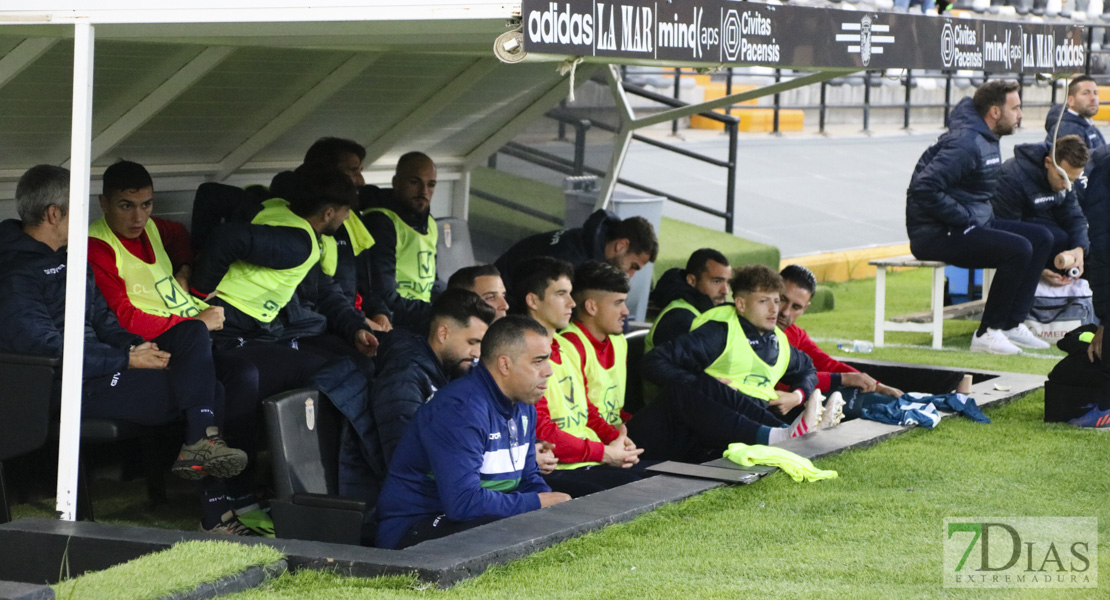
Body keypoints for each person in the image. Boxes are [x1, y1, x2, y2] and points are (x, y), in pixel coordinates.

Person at [0, 165, 254, 535]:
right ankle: (216, 513)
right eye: (78, 208)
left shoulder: (71, 258)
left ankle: (202, 445)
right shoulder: (14, 272)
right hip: (61, 384)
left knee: (192, 332)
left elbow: (106, 323)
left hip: (104, 364)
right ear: (54, 214)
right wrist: (125, 359)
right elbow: (46, 348)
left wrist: (140, 348)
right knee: (209, 391)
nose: (86, 218)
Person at [375, 315, 571, 549]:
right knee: (511, 535)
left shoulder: (524, 405)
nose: (549, 371)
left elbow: (529, 480)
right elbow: (463, 503)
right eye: (538, 361)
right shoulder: (461, 409)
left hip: (474, 518)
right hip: (415, 528)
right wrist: (539, 502)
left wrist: (550, 508)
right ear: (505, 364)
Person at [630, 265, 838, 463]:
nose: (777, 310)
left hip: (749, 414)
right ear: (741, 304)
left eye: (777, 300)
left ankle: (796, 434)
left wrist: (797, 395)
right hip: (702, 426)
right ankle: (789, 436)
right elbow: (653, 362)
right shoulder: (718, 333)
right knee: (712, 388)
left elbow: (808, 368)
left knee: (746, 402)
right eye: (764, 301)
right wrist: (700, 384)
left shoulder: (777, 340)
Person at [906, 79, 1053, 355]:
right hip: (937, 233)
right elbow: (923, 188)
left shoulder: (986, 136)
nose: (1020, 115)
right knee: (1018, 249)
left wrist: (971, 217)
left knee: (1042, 238)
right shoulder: (966, 143)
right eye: (1016, 108)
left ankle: (1010, 324)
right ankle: (987, 333)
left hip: (971, 222)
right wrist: (963, 216)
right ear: (995, 112)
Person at [190, 164, 378, 358]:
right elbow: (227, 238)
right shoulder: (297, 245)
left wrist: (356, 327)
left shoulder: (273, 206)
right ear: (328, 214)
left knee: (321, 327)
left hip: (258, 315)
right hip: (237, 319)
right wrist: (199, 288)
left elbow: (210, 192)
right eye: (346, 211)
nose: (347, 217)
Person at [511, 257, 646, 497]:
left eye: (571, 293)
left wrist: (617, 439)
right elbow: (542, 430)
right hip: (556, 467)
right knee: (625, 496)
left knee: (645, 484)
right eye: (561, 294)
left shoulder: (567, 347)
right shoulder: (521, 353)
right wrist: (604, 452)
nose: (573, 303)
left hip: (586, 458)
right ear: (532, 300)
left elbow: (587, 411)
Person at [372, 289, 496, 467]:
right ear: (443, 334)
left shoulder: (455, 371)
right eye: (472, 342)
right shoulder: (404, 376)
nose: (477, 353)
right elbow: (406, 457)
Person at [777, 265, 903, 398]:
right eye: (782, 299)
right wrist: (841, 379)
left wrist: (877, 386)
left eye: (796, 307)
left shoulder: (796, 334)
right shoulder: (756, 332)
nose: (785, 312)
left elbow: (827, 364)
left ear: (805, 308)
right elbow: (780, 384)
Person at [991, 137, 1089, 286]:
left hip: (1045, 234)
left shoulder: (1065, 182)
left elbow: (1074, 218)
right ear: (1048, 162)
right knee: (1050, 237)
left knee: (1088, 243)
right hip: (1015, 231)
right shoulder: (1012, 176)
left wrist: (1079, 250)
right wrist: (1039, 270)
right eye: (1062, 177)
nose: (1065, 185)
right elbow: (1008, 234)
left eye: (1072, 181)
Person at [360, 152, 439, 332]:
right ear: (396, 182)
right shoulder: (381, 222)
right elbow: (383, 296)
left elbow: (433, 283)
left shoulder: (430, 222)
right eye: (415, 182)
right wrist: (437, 314)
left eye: (431, 184)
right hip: (395, 321)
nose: (423, 192)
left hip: (422, 316)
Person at [495, 209, 658, 287]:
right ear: (621, 245)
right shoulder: (572, 261)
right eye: (633, 266)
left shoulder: (588, 240)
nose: (630, 275)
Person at [560, 261, 633, 427]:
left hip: (613, 435)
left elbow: (616, 410)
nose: (626, 311)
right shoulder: (569, 346)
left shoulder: (619, 341)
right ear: (591, 307)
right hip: (594, 443)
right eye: (618, 303)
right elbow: (582, 417)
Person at [645, 248, 732, 352]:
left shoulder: (707, 310)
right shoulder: (680, 318)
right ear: (692, 280)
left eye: (728, 283)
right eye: (717, 281)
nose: (725, 291)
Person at [1044, 75, 1104, 152]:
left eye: (1095, 93)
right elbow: (1081, 162)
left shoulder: (1085, 124)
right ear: (1071, 100)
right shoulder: (1067, 130)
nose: (1093, 98)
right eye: (1086, 93)